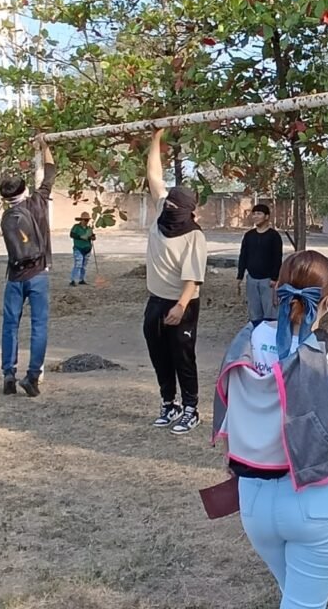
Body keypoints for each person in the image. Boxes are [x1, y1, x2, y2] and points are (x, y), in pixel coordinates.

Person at [213, 251, 328, 609]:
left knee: (294, 594)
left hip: (254, 498)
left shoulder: (244, 339)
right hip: (317, 501)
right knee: (303, 602)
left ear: (277, 289)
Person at [144, 129, 210, 435]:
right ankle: (168, 403)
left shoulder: (194, 235)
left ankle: (191, 408)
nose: (168, 208)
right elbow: (154, 176)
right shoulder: (161, 210)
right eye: (167, 203)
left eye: (174, 206)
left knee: (183, 356)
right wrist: (156, 138)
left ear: (188, 211)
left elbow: (193, 278)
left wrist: (181, 306)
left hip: (183, 303)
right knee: (159, 354)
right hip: (156, 300)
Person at [0, 135, 55, 398]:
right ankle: (32, 376)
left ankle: (8, 374)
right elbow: (50, 174)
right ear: (24, 190)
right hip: (38, 273)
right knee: (39, 325)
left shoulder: (6, 215)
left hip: (14, 276)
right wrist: (46, 147)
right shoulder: (37, 203)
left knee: (10, 325)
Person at [236, 204, 284, 326]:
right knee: (254, 312)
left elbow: (277, 257)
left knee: (270, 312)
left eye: (259, 214)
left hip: (268, 281)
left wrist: (274, 278)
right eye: (254, 213)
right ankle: (256, 336)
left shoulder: (274, 236)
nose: (256, 216)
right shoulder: (249, 235)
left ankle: (269, 337)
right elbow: (243, 256)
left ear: (266, 217)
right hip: (252, 279)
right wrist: (240, 276)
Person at [69, 212, 96, 287]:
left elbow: (92, 237)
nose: (86, 222)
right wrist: (81, 237)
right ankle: (73, 280)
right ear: (81, 220)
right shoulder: (76, 227)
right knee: (78, 264)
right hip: (78, 247)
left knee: (84, 265)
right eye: (85, 220)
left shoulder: (89, 228)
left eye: (87, 220)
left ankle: (81, 279)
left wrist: (93, 237)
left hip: (87, 248)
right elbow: (72, 235)